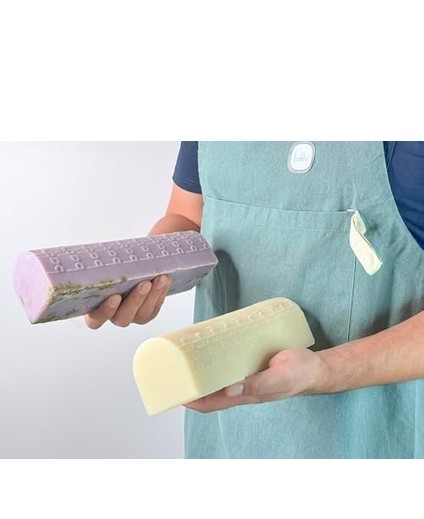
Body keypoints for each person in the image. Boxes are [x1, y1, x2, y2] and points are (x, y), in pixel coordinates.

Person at [85, 142, 424, 459]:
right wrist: (140, 272)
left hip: (369, 437)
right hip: (225, 434)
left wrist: (326, 371)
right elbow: (189, 215)